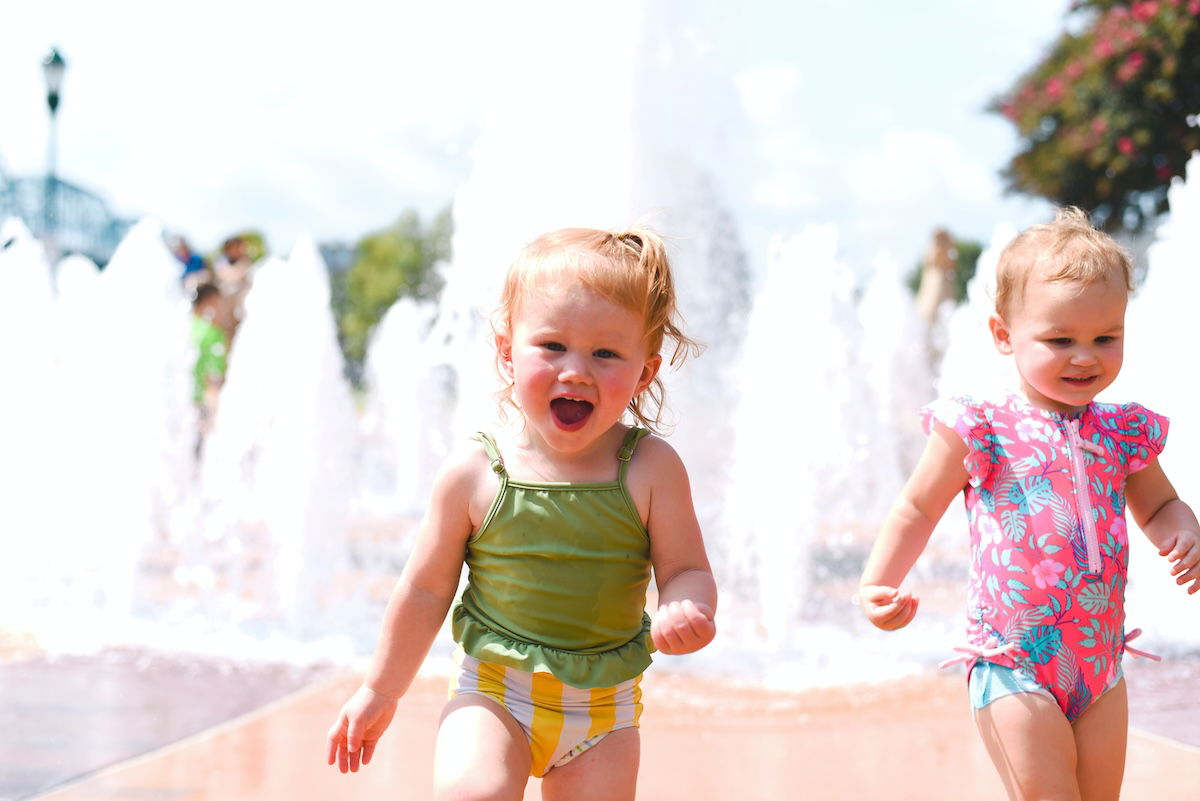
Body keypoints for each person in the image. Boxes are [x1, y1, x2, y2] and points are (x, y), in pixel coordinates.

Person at [325, 226, 718, 800]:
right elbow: (426, 589)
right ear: (508, 351)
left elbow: (687, 567)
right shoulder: (475, 472)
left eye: (606, 354)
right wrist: (381, 691)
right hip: (492, 694)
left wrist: (687, 603)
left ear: (645, 373)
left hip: (603, 714)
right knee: (474, 794)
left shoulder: (650, 468)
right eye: (552, 346)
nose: (576, 370)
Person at [859, 207, 1199, 800]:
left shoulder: (1122, 432)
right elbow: (916, 507)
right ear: (1002, 335)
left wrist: (1185, 531)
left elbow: (1160, 504)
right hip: (1011, 661)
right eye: (1059, 339)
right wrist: (877, 583)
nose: (1085, 356)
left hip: (1100, 663)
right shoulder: (981, 425)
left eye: (1105, 338)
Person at [191, 282, 228, 442]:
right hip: (200, 408)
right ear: (209, 302)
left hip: (181, 406)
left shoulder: (180, 326)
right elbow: (213, 381)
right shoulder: (213, 334)